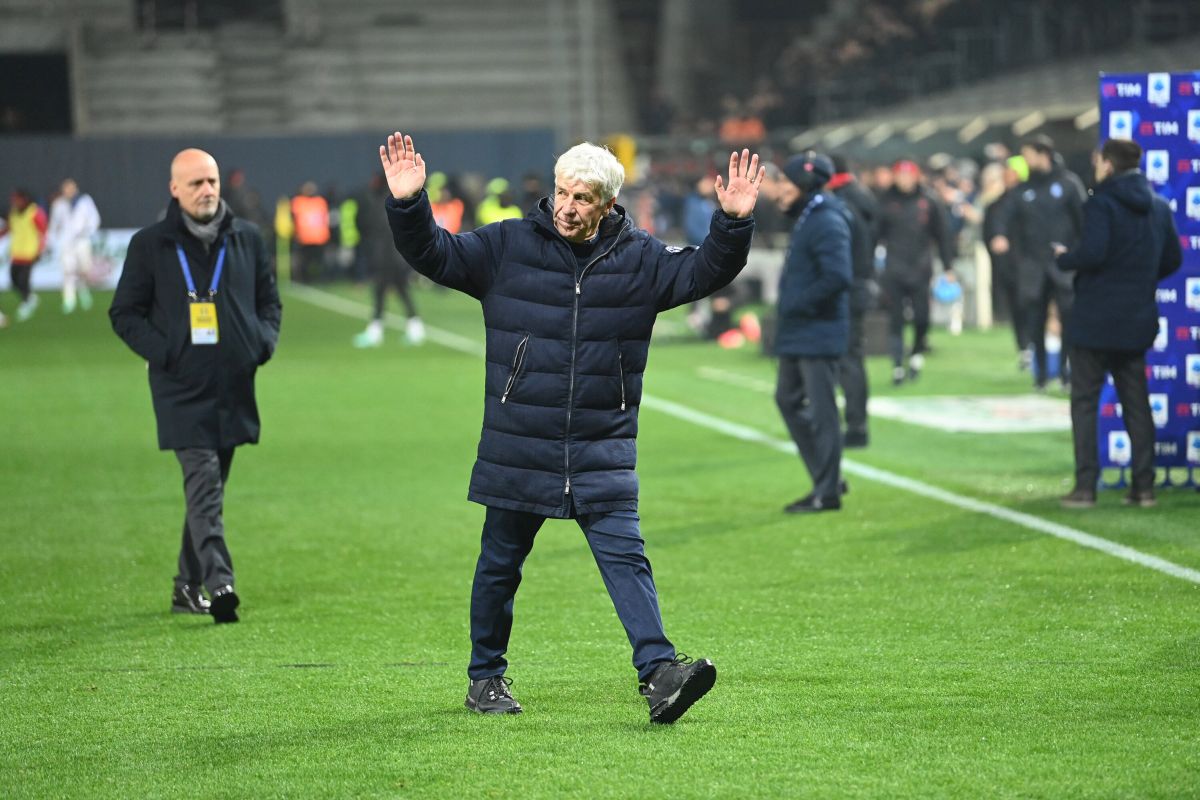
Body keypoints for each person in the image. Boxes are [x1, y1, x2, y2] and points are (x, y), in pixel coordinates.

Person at [380, 132, 764, 723]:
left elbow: (704, 273)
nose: (566, 207)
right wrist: (409, 204)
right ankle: (485, 678)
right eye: (561, 192)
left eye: (582, 198)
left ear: (608, 206)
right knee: (499, 565)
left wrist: (733, 222)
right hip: (520, 442)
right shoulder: (507, 244)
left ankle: (660, 674)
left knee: (626, 558)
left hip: (601, 445)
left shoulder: (640, 260)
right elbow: (436, 254)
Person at [109, 148, 282, 623]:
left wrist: (260, 345)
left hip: (233, 383)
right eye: (195, 184)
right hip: (181, 388)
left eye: (212, 181)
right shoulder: (151, 245)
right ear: (174, 190)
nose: (206, 191)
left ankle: (185, 585)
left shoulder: (247, 238)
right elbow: (124, 314)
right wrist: (168, 354)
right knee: (204, 483)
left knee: (209, 489)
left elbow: (270, 302)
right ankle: (220, 581)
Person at [1055, 139, 1181, 509]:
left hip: (1095, 319)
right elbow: (1173, 259)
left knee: (1084, 403)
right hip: (1136, 318)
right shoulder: (1158, 207)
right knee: (1137, 403)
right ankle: (1143, 487)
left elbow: (1093, 253)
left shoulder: (1101, 203)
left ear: (1108, 164)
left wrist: (1065, 259)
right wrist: (1139, 278)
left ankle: (1085, 487)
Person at [771, 152, 853, 512]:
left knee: (823, 413)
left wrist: (797, 303)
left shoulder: (827, 220)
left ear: (804, 184)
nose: (780, 191)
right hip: (800, 330)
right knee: (787, 399)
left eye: (786, 184)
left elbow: (838, 276)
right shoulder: (810, 217)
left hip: (817, 329)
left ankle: (827, 491)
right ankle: (828, 476)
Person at [993, 135, 1086, 390]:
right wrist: (999, 234)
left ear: (1043, 153)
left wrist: (1080, 253)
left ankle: (1068, 372)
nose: (1025, 160)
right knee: (1035, 319)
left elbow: (1084, 220)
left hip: (1064, 265)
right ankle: (1041, 375)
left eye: (1028, 155)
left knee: (1069, 318)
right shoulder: (1023, 190)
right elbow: (1002, 215)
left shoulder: (1068, 184)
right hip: (1033, 266)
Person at [876, 160, 956, 385]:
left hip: (921, 268)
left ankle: (917, 353)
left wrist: (948, 266)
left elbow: (942, 236)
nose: (904, 180)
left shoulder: (929, 201)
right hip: (894, 268)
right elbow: (874, 233)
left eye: (908, 175)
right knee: (896, 319)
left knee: (921, 317)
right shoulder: (886, 201)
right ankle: (898, 365)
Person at [828, 155, 877, 448]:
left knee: (847, 359)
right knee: (851, 358)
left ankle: (855, 427)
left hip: (847, 288)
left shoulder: (843, 204)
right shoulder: (862, 197)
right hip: (859, 284)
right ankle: (855, 424)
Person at [353, 173, 424, 347]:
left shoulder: (381, 203)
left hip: (388, 257)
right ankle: (414, 327)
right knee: (400, 291)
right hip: (397, 256)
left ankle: (377, 331)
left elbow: (375, 230)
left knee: (381, 292)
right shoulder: (394, 200)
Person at [983, 156, 1031, 368]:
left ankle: (1036, 348)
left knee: (1032, 307)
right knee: (1017, 307)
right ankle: (1024, 348)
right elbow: (989, 233)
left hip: (1032, 264)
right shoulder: (996, 204)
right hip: (1009, 266)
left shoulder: (1032, 200)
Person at [47, 178, 101, 314]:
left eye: (70, 188)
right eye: (66, 189)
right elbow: (54, 225)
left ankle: (83, 291)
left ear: (75, 188)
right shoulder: (59, 204)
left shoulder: (85, 201)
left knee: (84, 269)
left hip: (82, 241)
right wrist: (51, 241)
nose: (68, 191)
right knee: (68, 270)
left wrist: (87, 231)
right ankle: (69, 301)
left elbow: (95, 219)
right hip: (66, 242)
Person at [1, 188, 48, 325]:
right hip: (16, 253)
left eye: (17, 199)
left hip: (29, 253)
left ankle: (27, 303)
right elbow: (9, 228)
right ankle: (29, 298)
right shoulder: (14, 213)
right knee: (14, 281)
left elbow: (43, 232)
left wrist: (40, 250)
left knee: (23, 281)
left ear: (25, 199)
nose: (14, 202)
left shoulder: (34, 213)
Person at [291, 181, 330, 283]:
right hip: (305, 238)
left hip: (318, 237)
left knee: (319, 261)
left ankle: (320, 279)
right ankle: (305, 279)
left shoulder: (320, 201)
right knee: (306, 262)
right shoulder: (298, 202)